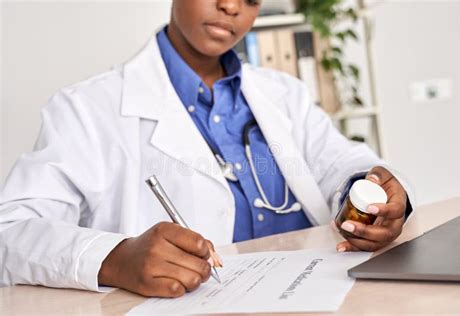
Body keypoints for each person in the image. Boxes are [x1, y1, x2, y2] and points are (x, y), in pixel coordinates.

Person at [0, 0, 412, 298]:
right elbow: (11, 233)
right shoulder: (87, 108)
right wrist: (114, 258)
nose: (231, 7)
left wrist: (371, 190)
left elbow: (340, 161)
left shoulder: (282, 92)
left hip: (323, 291)